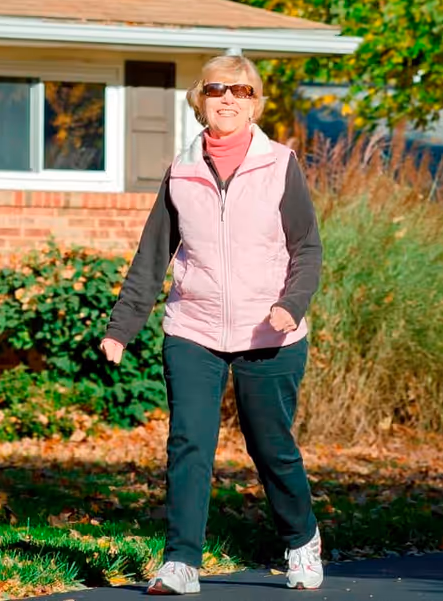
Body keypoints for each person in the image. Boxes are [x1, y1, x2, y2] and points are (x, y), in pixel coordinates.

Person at [100, 54, 324, 595]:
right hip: (193, 328)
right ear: (200, 99)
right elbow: (152, 257)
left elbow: (308, 250)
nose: (229, 99)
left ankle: (301, 540)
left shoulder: (279, 164)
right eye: (218, 89)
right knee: (189, 442)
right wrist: (120, 328)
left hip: (269, 333)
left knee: (270, 445)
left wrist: (290, 305)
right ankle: (180, 561)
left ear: (256, 103)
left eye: (242, 91)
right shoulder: (182, 171)